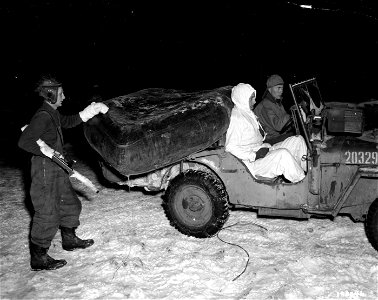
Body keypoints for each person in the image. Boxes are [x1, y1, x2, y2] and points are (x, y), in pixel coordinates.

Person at [18, 76, 109, 271]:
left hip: (57, 167)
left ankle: (69, 239)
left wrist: (89, 111)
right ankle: (39, 257)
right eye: (61, 93)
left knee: (69, 203)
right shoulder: (42, 116)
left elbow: (69, 121)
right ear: (50, 95)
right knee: (47, 212)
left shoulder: (52, 112)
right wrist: (47, 151)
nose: (64, 96)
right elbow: (24, 142)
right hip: (44, 169)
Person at [225, 83, 307, 183]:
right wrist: (254, 155)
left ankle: (304, 172)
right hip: (252, 163)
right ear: (242, 98)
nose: (255, 101)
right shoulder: (237, 118)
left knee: (297, 140)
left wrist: (264, 148)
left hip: (263, 150)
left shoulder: (248, 113)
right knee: (283, 155)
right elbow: (230, 147)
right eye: (251, 98)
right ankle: (302, 184)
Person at [254, 74, 295, 144]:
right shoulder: (265, 105)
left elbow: (284, 122)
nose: (281, 91)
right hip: (270, 140)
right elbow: (278, 126)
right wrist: (291, 113)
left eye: (282, 88)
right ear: (270, 89)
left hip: (279, 136)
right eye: (278, 88)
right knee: (296, 139)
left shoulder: (276, 102)